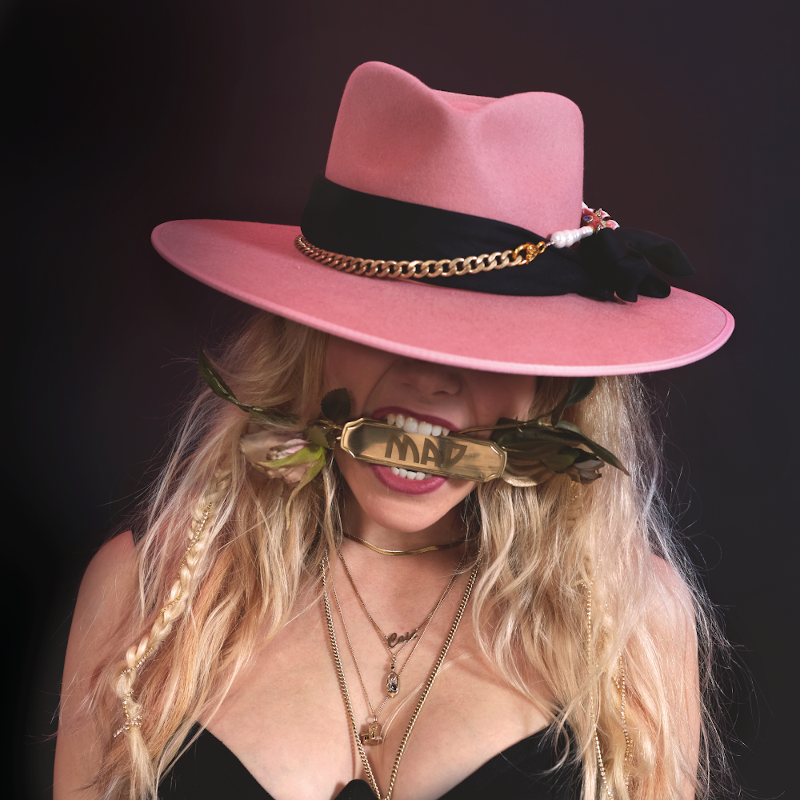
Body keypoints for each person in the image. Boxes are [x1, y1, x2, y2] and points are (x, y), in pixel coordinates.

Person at [54, 62, 734, 800]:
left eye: (491, 344)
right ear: (308, 336)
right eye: (384, 325)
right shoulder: (145, 595)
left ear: (550, 384)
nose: (431, 378)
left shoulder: (632, 624)